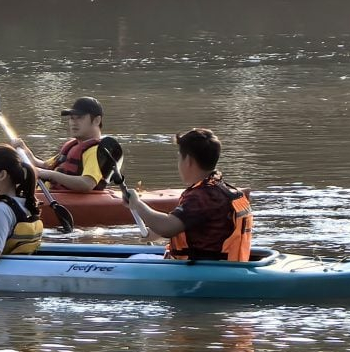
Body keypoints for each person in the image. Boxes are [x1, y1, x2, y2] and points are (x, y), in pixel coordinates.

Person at [124, 128, 253, 262]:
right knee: (139, 258)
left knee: (133, 260)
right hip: (217, 267)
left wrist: (137, 204)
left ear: (188, 161)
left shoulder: (202, 197)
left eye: (179, 157)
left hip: (201, 271)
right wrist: (155, 233)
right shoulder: (220, 190)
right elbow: (198, 226)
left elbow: (168, 227)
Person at [13, 96, 106, 192]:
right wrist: (25, 150)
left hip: (62, 201)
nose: (73, 122)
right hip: (49, 195)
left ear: (97, 120)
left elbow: (87, 184)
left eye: (80, 117)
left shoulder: (96, 151)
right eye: (71, 118)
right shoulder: (73, 145)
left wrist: (51, 174)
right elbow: (44, 166)